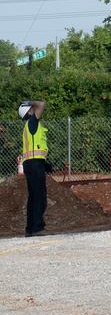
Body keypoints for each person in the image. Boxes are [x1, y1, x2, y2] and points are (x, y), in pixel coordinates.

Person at [20, 100, 50, 237]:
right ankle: (38, 227)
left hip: (31, 163)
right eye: (32, 108)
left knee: (33, 196)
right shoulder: (32, 122)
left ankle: (30, 228)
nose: (35, 108)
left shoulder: (29, 125)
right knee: (39, 196)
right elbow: (42, 104)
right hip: (34, 163)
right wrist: (30, 102)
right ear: (29, 112)